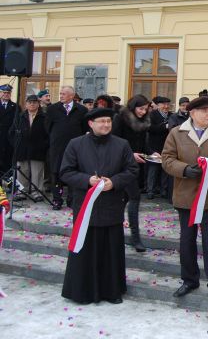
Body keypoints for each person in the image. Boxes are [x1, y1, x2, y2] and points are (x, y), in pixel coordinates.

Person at [60, 107, 139, 304]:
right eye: (101, 121)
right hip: (85, 207)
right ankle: (83, 292)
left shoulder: (121, 144)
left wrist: (114, 182)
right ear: (90, 124)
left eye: (108, 121)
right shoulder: (75, 144)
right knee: (85, 250)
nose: (105, 125)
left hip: (111, 205)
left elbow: (132, 169)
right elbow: (66, 172)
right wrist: (87, 180)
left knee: (110, 251)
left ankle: (111, 291)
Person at [162, 95, 208, 300]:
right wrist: (184, 169)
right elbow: (167, 160)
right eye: (204, 111)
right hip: (186, 198)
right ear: (192, 113)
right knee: (187, 242)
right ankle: (189, 280)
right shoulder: (176, 133)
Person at [111, 94, 152, 252]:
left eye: (145, 109)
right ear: (133, 106)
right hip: (121, 165)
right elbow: (114, 142)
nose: (143, 112)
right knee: (134, 196)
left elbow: (142, 144)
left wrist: (152, 153)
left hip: (136, 165)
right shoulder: (120, 118)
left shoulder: (143, 121)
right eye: (140, 108)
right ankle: (136, 238)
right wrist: (130, 154)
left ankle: (112, 229)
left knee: (124, 199)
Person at [45, 86, 88, 210]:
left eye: (64, 94)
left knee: (73, 173)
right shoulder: (52, 109)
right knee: (56, 173)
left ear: (71, 96)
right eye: (60, 93)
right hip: (57, 147)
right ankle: (57, 200)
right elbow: (47, 127)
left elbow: (84, 128)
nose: (61, 96)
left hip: (75, 148)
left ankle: (71, 199)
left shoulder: (81, 110)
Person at [9, 95, 49, 201]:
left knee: (37, 172)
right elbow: (11, 133)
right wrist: (16, 144)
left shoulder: (44, 117)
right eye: (30, 102)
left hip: (38, 150)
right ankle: (22, 192)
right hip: (22, 149)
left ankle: (37, 192)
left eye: (34, 102)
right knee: (22, 171)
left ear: (38, 104)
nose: (32, 104)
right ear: (26, 104)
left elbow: (48, 134)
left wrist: (44, 145)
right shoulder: (20, 116)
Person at [147, 96, 171, 200]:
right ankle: (150, 191)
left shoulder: (171, 115)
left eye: (167, 104)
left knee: (165, 169)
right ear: (158, 105)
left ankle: (163, 190)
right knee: (153, 169)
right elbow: (150, 128)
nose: (166, 106)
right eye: (163, 104)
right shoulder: (152, 115)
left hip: (167, 146)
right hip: (155, 146)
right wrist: (164, 127)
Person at [0, 84, 20, 176]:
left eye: (8, 93)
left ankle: (10, 187)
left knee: (9, 163)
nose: (6, 94)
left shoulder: (15, 107)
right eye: (4, 92)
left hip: (9, 139)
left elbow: (18, 123)